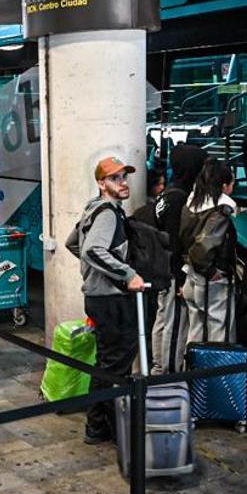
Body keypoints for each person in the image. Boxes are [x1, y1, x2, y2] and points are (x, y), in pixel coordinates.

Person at [71, 156, 146, 444]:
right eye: (115, 178)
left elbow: (73, 243)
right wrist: (126, 274)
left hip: (99, 297)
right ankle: (112, 429)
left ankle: (98, 426)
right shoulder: (107, 213)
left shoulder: (92, 209)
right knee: (115, 368)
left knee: (106, 364)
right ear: (102, 184)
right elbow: (91, 250)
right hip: (111, 299)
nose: (123, 182)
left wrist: (94, 272)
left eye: (124, 177)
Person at [150, 144, 206, 372]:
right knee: (174, 325)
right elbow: (174, 242)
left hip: (161, 268)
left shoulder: (166, 194)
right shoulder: (179, 199)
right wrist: (180, 279)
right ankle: (169, 374)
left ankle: (157, 367)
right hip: (172, 272)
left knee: (163, 320)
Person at [179, 159, 239, 345]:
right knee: (218, 333)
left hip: (190, 276)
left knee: (196, 331)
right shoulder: (220, 211)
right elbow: (203, 248)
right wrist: (211, 272)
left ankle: (193, 372)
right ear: (224, 186)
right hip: (211, 281)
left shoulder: (191, 203)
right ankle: (215, 374)